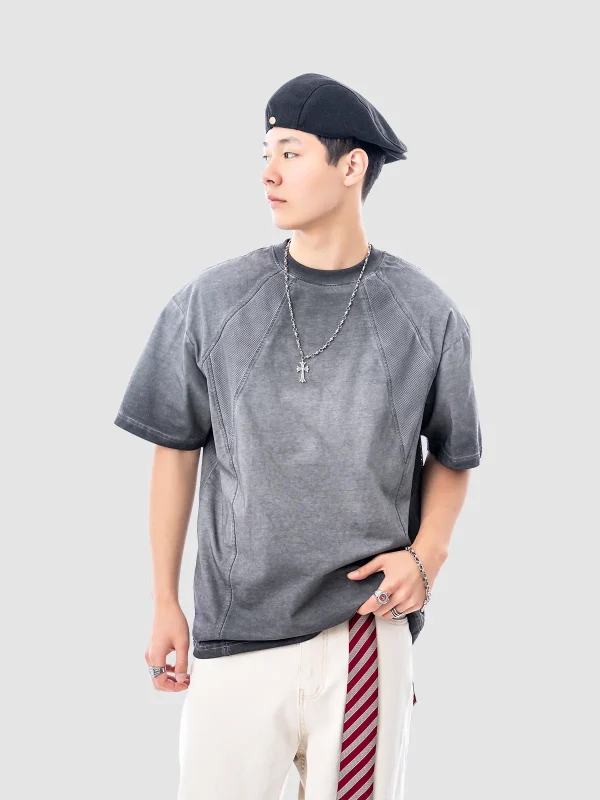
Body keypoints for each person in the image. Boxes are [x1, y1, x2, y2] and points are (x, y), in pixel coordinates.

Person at [114, 72, 483, 800]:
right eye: (266, 154)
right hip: (235, 633)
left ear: (352, 166)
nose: (269, 173)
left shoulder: (425, 314)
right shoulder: (211, 301)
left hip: (363, 631)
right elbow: (175, 450)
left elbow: (453, 452)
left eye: (291, 152)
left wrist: (427, 555)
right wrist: (163, 600)